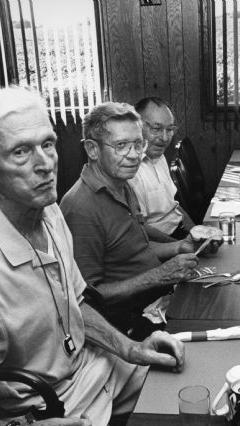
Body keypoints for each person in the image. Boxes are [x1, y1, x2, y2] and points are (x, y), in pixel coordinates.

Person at [0, 87, 185, 426]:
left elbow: (75, 303)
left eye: (47, 144)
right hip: (50, 410)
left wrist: (129, 348)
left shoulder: (47, 211)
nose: (45, 163)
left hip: (97, 366)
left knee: (193, 389)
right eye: (20, 152)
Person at [60, 102, 200, 338]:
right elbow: (87, 299)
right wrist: (159, 276)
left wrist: (179, 246)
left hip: (159, 297)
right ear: (93, 150)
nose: (134, 155)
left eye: (138, 144)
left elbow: (137, 241)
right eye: (122, 145)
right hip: (131, 326)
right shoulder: (81, 208)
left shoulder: (121, 184)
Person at [129, 97, 194, 241]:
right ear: (136, 126)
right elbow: (141, 229)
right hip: (160, 242)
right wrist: (182, 246)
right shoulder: (130, 169)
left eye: (170, 129)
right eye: (156, 129)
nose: (164, 138)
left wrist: (195, 232)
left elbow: (174, 208)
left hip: (179, 234)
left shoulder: (160, 156)